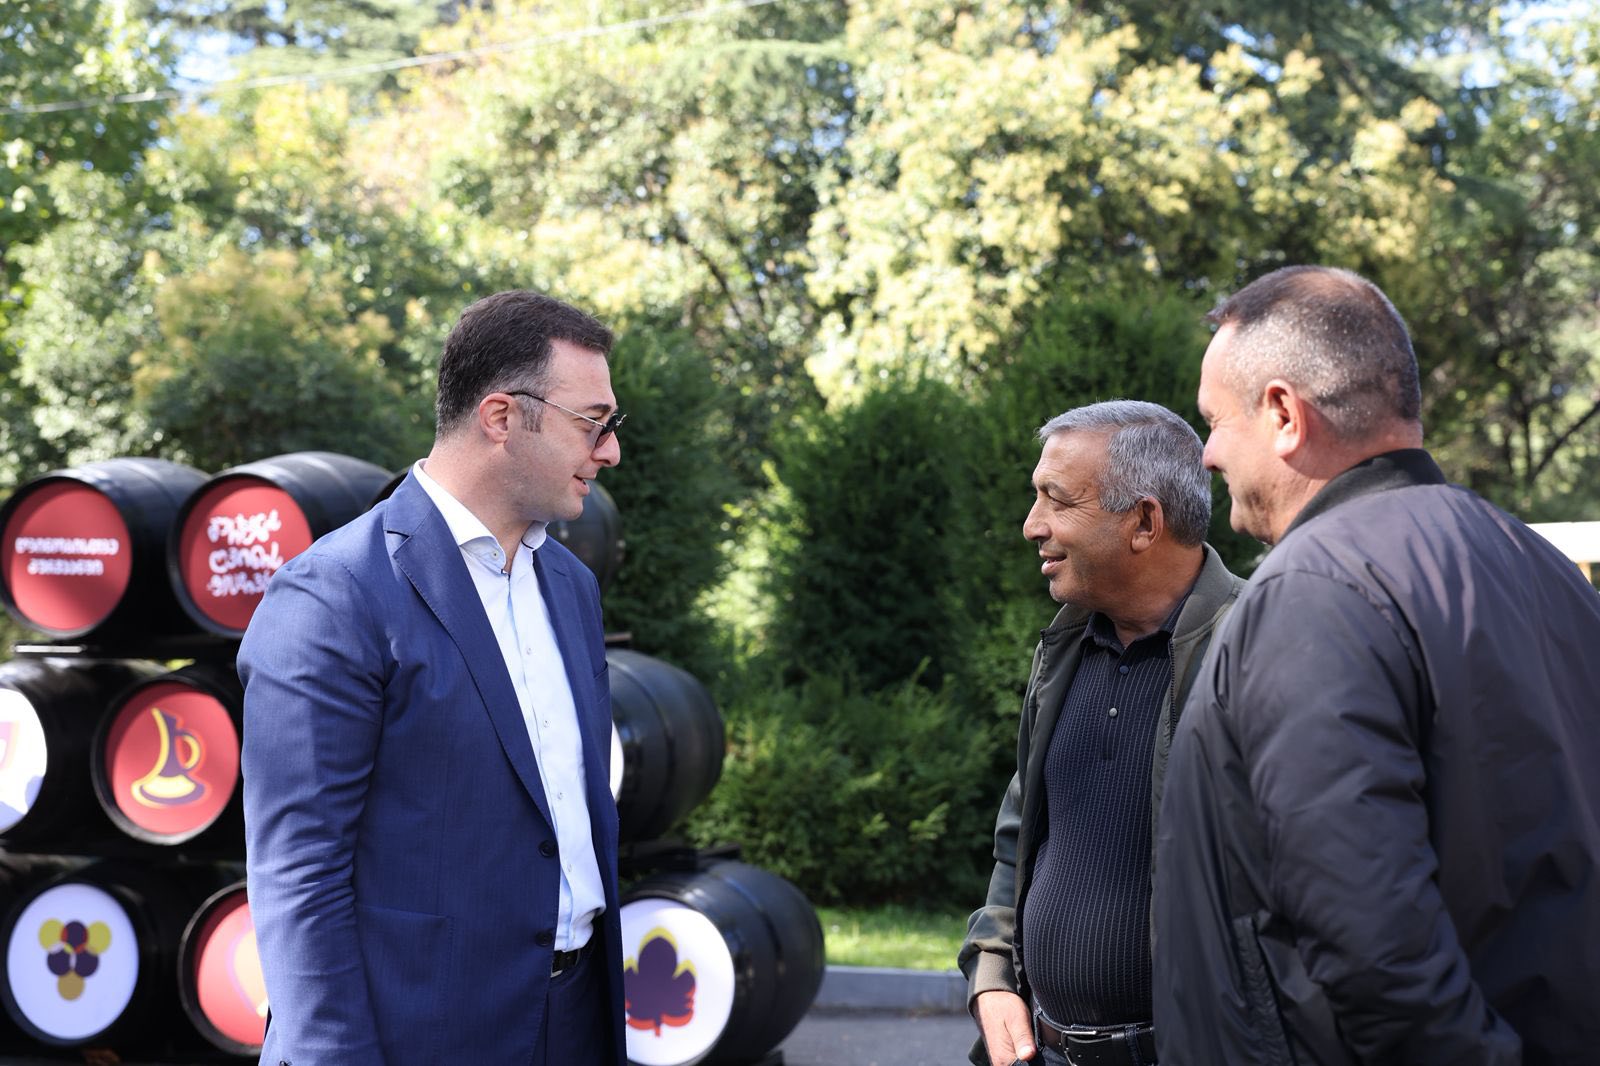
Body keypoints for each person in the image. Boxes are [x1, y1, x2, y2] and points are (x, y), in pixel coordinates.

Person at [1155, 266, 1600, 1065]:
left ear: (1284, 414)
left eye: (1214, 422)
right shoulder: (1544, 570)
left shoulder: (1315, 591)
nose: (1209, 455)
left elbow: (1373, 946)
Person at [239, 290, 628, 1066]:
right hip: (416, 1035)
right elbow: (299, 878)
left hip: (576, 1021)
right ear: (501, 417)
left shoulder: (571, 586)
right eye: (593, 423)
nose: (610, 451)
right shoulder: (334, 594)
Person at [959, 401, 1245, 1066]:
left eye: (1056, 500)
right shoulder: (1064, 648)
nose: (1032, 525)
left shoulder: (1254, 645)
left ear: (1144, 522)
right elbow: (1020, 839)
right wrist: (992, 970)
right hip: (1043, 1052)